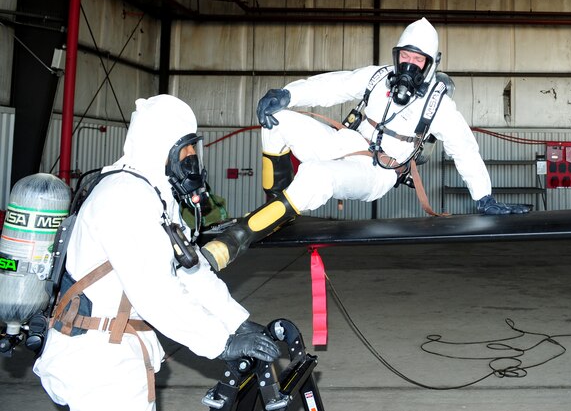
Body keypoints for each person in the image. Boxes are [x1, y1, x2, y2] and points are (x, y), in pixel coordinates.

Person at [201, 17, 530, 271]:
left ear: (432, 63)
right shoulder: (377, 77)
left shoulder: (438, 104)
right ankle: (276, 206)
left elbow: (464, 148)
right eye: (404, 56)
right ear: (396, 54)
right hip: (346, 141)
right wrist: (289, 93)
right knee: (277, 117)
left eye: (418, 61)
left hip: (378, 171)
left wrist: (484, 196)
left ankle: (236, 239)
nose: (408, 66)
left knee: (317, 176)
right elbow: (335, 85)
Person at [33, 94, 280, 411]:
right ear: (159, 146)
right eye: (185, 149)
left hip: (115, 356)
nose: (192, 159)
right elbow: (155, 291)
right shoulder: (125, 196)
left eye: (194, 148)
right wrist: (222, 342)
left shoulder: (154, 197)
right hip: (97, 369)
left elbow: (189, 271)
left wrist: (237, 323)